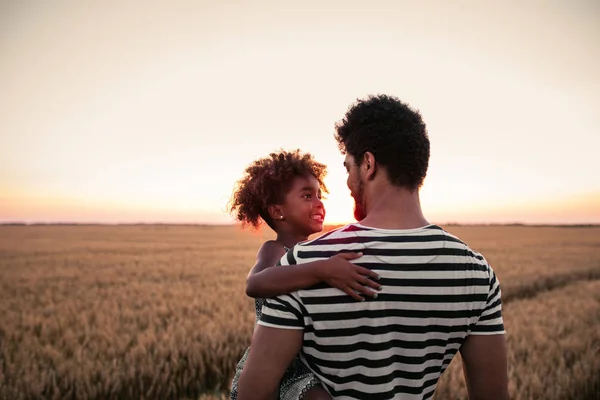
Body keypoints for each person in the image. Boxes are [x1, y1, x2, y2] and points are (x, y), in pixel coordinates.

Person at [237, 95, 509, 400]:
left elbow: (253, 394)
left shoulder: (303, 262)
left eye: (348, 168)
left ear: (368, 164)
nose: (348, 183)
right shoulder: (476, 272)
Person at [228, 149, 382, 400]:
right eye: (307, 195)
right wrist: (322, 269)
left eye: (320, 195)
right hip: (275, 365)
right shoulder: (274, 249)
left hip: (307, 360)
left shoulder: (316, 253)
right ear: (278, 211)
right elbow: (255, 284)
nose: (319, 202)